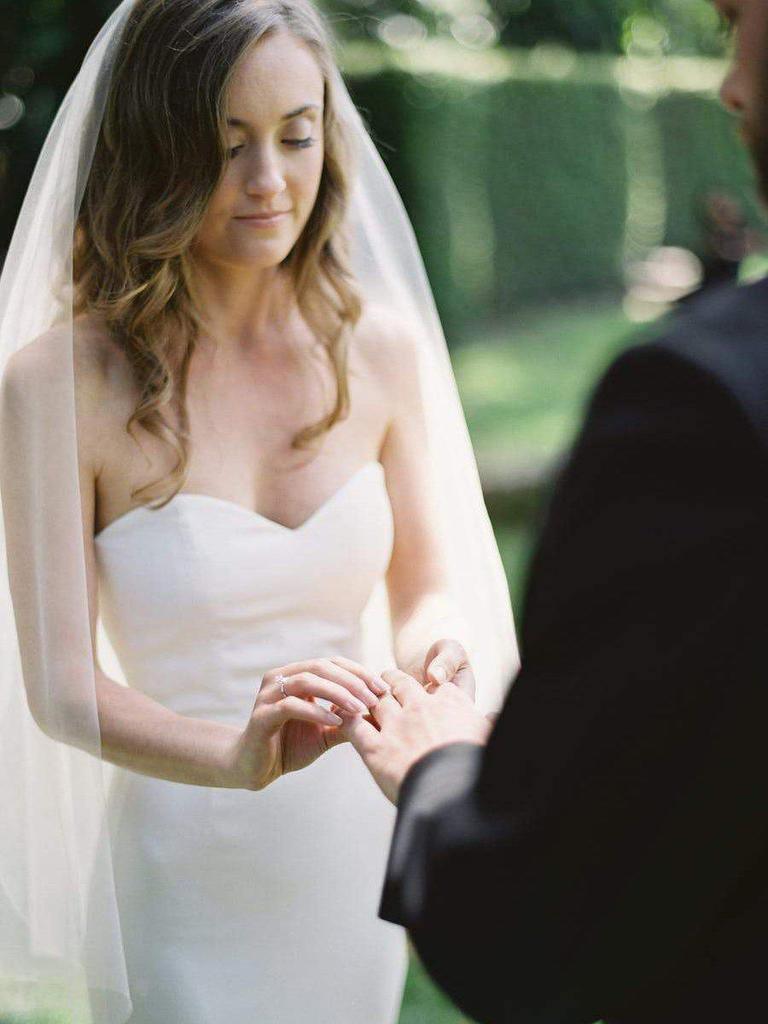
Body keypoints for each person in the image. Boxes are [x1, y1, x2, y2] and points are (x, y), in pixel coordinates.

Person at [0, 1, 517, 1022]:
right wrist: (235, 759)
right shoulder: (58, 385)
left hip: (349, 848)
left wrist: (439, 653)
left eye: (296, 134)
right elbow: (60, 687)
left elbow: (423, 584)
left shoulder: (381, 350)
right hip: (185, 854)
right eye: (226, 145)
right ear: (158, 152)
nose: (270, 181)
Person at [346, 1, 768, 1022]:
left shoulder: (705, 405)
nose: (730, 85)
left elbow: (533, 919)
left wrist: (440, 762)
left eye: (736, 25)